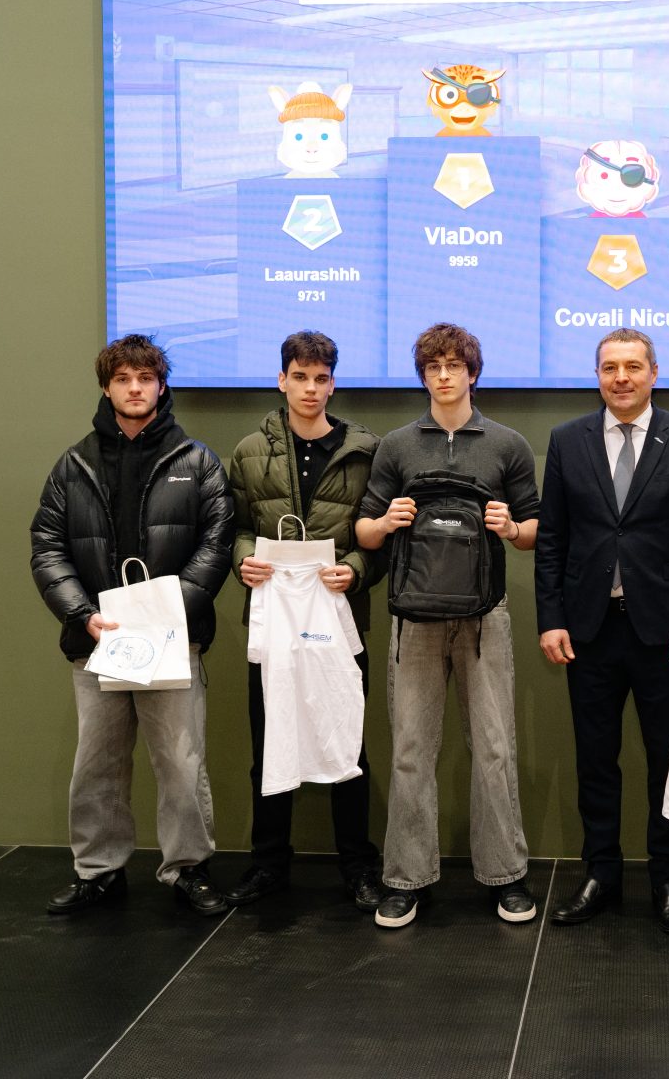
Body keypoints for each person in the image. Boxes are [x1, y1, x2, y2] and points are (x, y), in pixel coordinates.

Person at [30, 334, 232, 916]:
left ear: (161, 386)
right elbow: (47, 548)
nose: (135, 388)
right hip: (99, 641)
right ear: (107, 387)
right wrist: (83, 615)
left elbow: (216, 545)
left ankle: (188, 869)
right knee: (97, 766)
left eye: (145, 378)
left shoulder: (197, 462)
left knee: (181, 764)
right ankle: (98, 871)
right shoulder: (73, 465)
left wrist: (168, 613)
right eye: (123, 379)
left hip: (174, 639)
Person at [535, 328, 669, 935]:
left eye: (633, 367)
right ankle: (601, 873)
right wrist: (551, 618)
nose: (621, 377)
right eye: (610, 367)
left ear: (654, 373)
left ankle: (667, 879)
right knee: (596, 760)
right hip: (588, 629)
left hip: (665, 633)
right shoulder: (567, 440)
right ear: (597, 376)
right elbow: (553, 539)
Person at [355, 323, 540, 928]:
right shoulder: (397, 446)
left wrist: (512, 528)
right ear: (423, 376)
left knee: (494, 749)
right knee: (411, 750)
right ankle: (406, 880)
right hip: (414, 620)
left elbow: (535, 530)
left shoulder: (508, 444)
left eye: (454, 365)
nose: (443, 375)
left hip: (486, 617)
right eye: (433, 367)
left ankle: (506, 876)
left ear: (472, 373)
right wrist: (386, 522)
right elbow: (364, 531)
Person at [222, 331, 383, 912]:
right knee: (270, 743)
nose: (310, 389)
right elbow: (234, 529)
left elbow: (383, 540)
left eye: (320, 378)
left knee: (348, 745)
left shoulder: (367, 451)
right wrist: (244, 560)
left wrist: (357, 569)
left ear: (333, 384)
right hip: (273, 625)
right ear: (281, 380)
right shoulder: (248, 451)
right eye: (300, 377)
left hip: (340, 623)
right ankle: (268, 865)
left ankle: (358, 866)